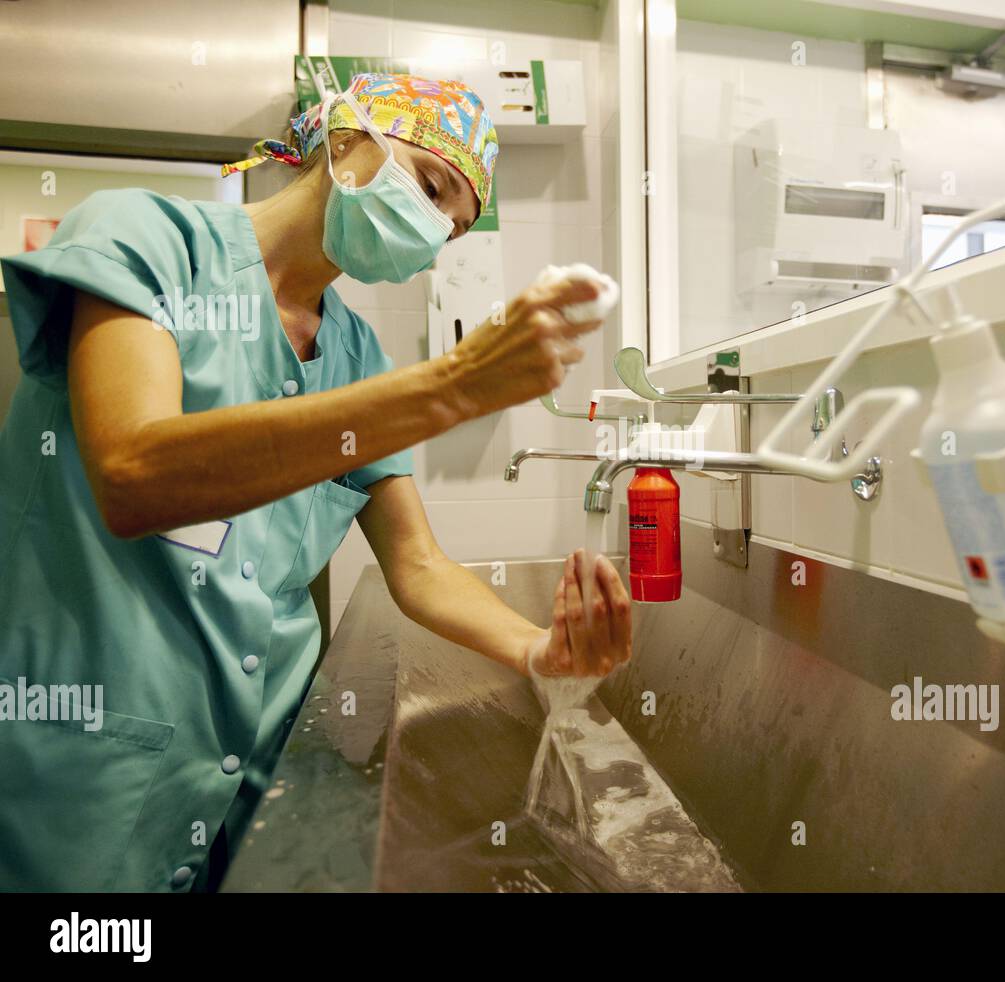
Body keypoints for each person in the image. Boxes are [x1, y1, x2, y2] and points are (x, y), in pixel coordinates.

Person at [0, 73, 630, 892]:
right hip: (90, 783)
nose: (433, 226)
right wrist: (449, 387)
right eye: (431, 186)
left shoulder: (355, 355)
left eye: (452, 224)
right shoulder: (147, 239)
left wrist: (538, 651)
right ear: (344, 139)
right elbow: (133, 474)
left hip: (255, 775)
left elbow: (419, 566)